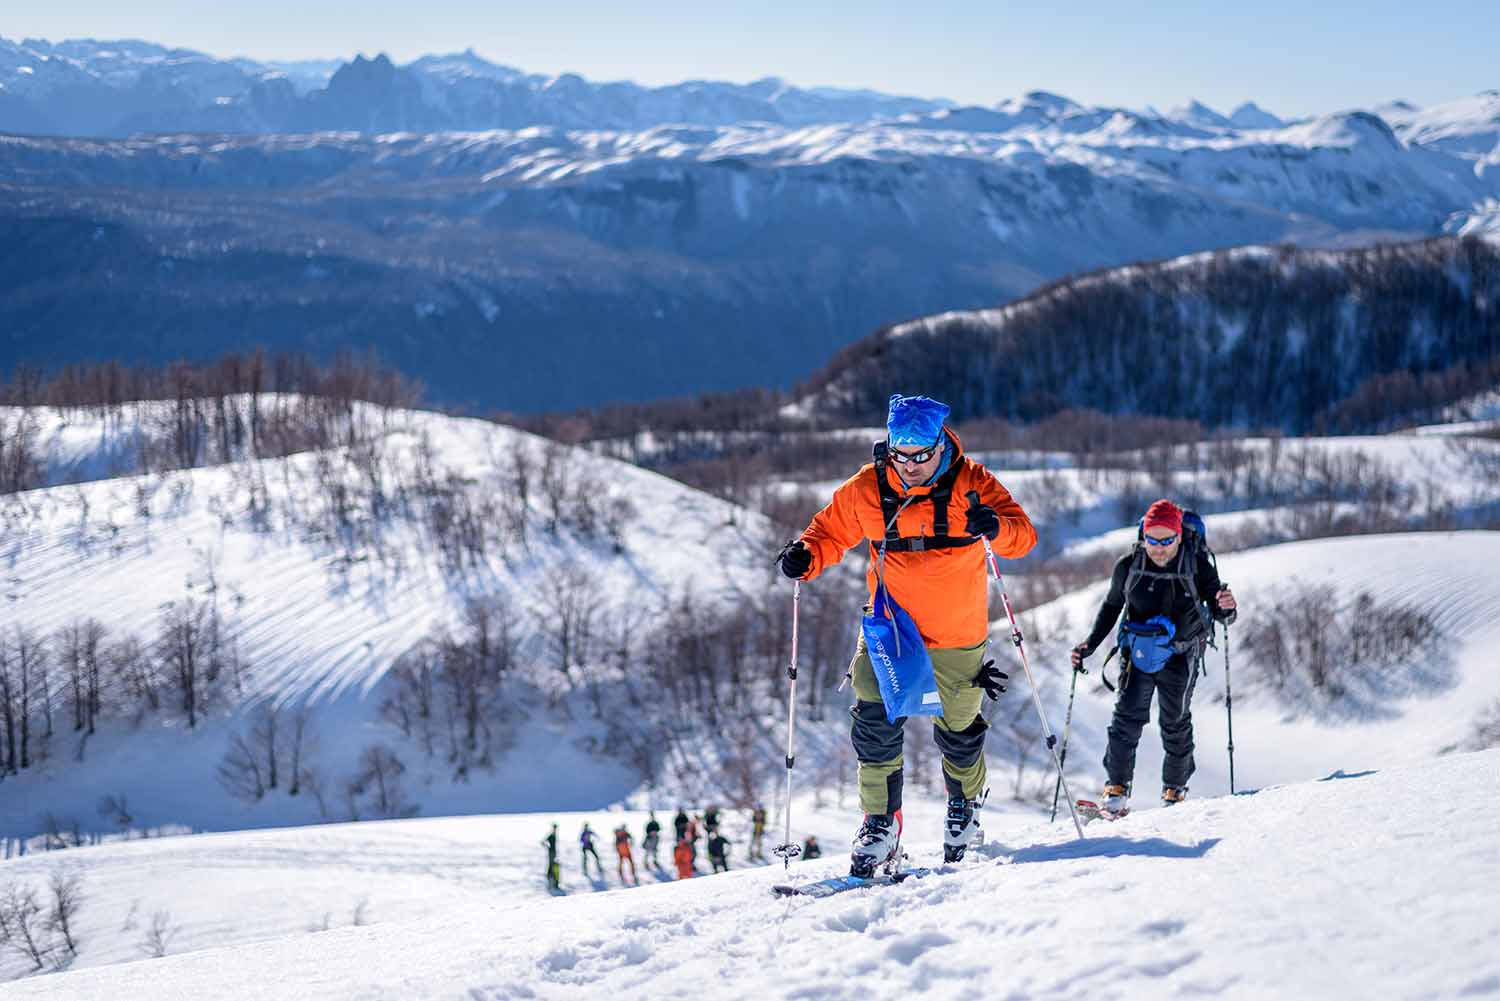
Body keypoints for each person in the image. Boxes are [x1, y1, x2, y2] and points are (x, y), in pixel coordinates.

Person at [779, 393, 1036, 876]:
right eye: (902, 455)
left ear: (941, 445)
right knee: (874, 726)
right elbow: (828, 533)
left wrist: (996, 527)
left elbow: (1023, 536)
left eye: (921, 455)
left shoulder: (973, 483)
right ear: (889, 447)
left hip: (956, 634)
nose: (911, 465)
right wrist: (805, 557)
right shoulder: (867, 487)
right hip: (890, 631)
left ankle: (964, 805)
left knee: (959, 733)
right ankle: (880, 822)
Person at [1071, 498, 1237, 815]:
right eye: (1152, 539)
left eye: (1166, 540)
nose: (1159, 548)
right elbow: (1110, 607)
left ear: (1178, 536)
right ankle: (1116, 790)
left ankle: (1174, 790)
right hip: (1137, 652)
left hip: (1181, 654)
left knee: (1174, 721)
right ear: (1143, 536)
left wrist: (1227, 607)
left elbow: (1221, 614)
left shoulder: (1198, 566)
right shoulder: (1128, 566)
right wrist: (1089, 646)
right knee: (1125, 720)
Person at [542, 823, 561, 891]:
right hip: (551, 852)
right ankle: (550, 877)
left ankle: (551, 877)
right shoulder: (551, 835)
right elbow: (543, 841)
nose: (555, 829)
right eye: (555, 828)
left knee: (552, 864)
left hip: (553, 852)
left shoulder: (554, 834)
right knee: (552, 865)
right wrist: (548, 847)